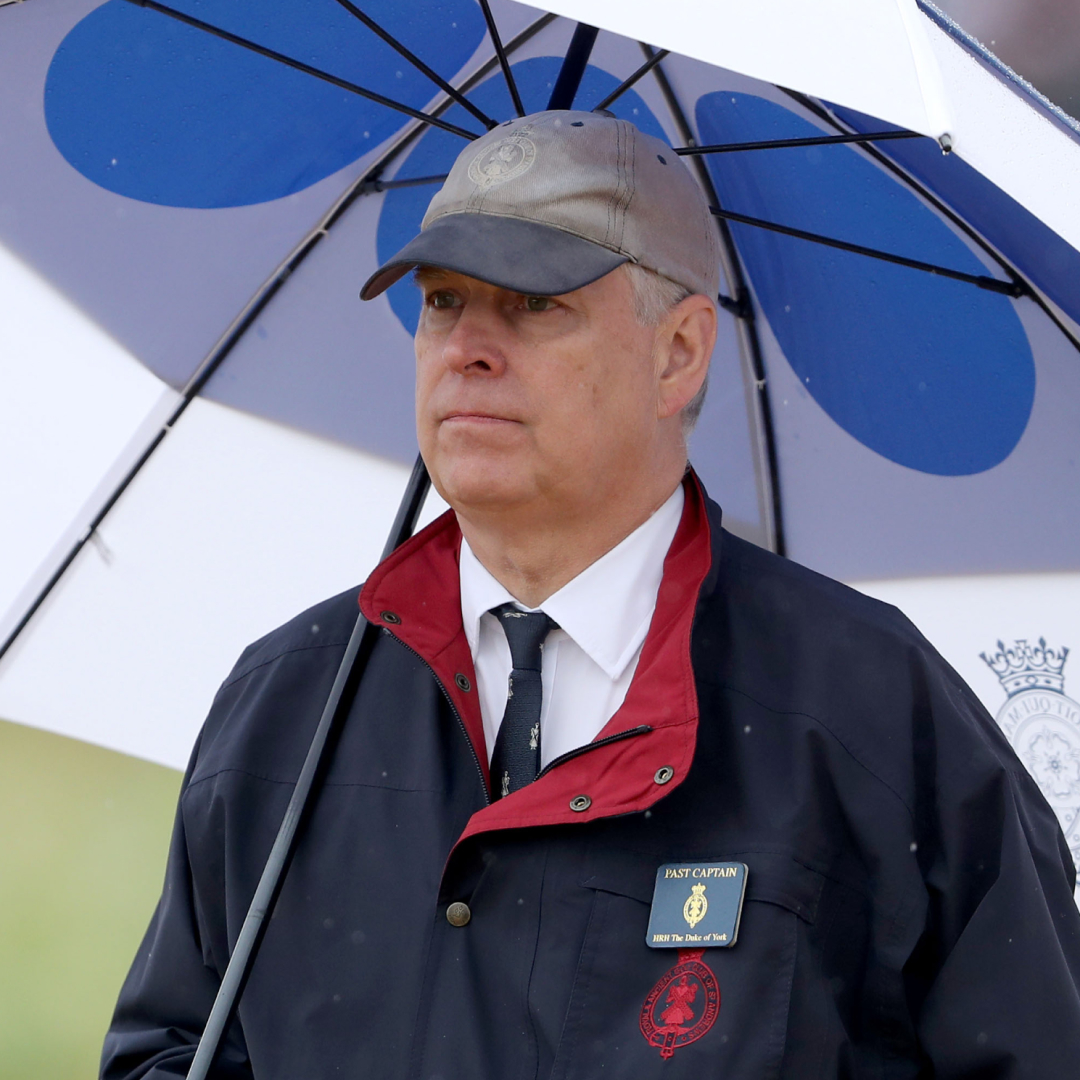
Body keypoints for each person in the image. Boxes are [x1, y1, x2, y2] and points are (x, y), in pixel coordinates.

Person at [102, 110, 1080, 1079]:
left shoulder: (867, 704)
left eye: (534, 305)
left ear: (679, 353)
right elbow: (166, 1055)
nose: (467, 348)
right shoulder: (292, 698)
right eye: (444, 301)